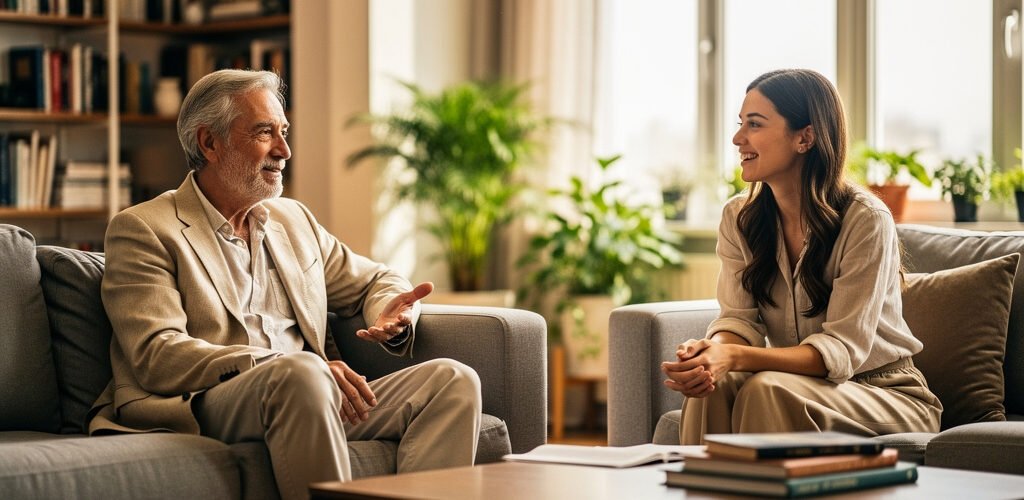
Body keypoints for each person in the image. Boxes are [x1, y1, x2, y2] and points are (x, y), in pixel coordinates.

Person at [88, 69, 482, 500]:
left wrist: (391, 310)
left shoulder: (294, 220)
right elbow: (157, 355)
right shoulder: (144, 228)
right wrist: (278, 365)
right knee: (301, 372)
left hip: (310, 394)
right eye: (264, 132)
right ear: (209, 143)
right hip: (208, 399)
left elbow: (377, 280)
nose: (284, 150)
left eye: (284, 132)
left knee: (452, 381)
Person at [661, 69, 942, 444]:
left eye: (754, 124)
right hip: (798, 383)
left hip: (886, 393)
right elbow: (738, 320)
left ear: (805, 137)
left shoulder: (866, 220)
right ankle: (703, 478)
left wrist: (736, 357)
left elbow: (840, 350)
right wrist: (711, 354)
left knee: (767, 388)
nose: (738, 138)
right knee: (714, 383)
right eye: (740, 123)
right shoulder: (738, 218)